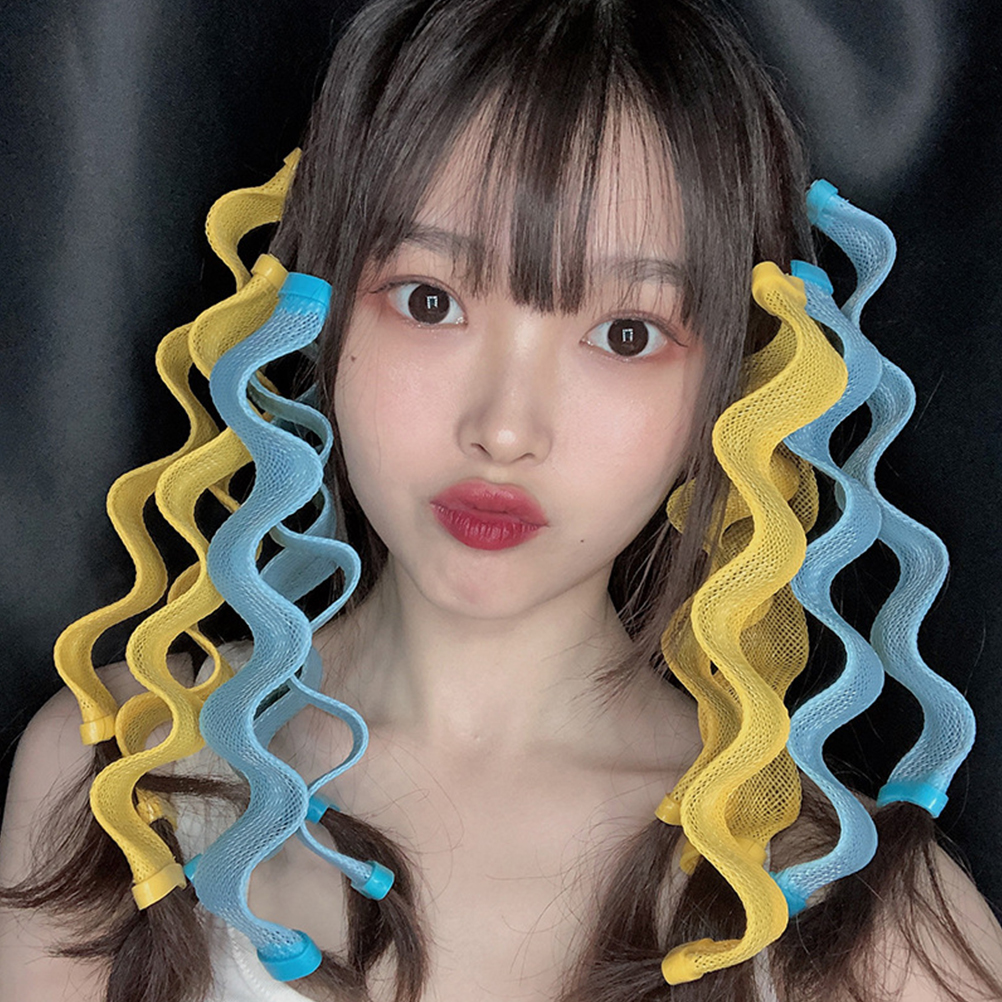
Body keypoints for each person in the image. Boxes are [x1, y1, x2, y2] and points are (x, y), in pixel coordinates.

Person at [1, 0, 1001, 1000]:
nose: (506, 427)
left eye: (626, 335)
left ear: (732, 389)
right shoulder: (117, 777)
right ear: (319, 313)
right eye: (430, 300)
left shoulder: (852, 912)